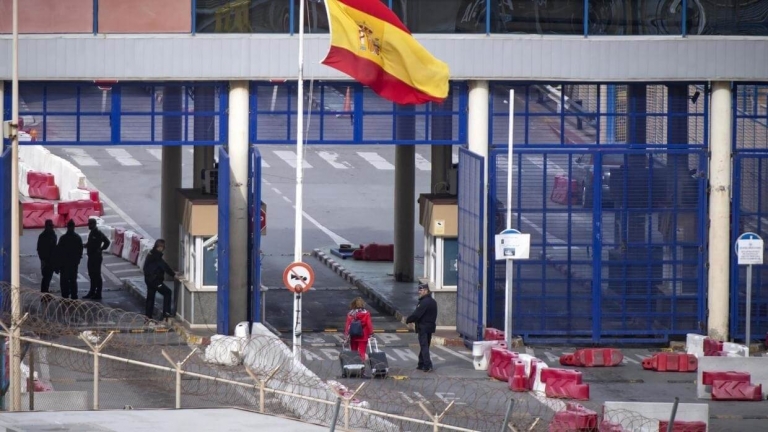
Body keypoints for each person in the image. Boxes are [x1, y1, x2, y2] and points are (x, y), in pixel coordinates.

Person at [406, 283, 438, 372]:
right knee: (425, 345)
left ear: (426, 290)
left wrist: (408, 320)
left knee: (424, 346)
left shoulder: (424, 302)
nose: (419, 292)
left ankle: (427, 365)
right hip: (430, 326)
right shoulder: (433, 301)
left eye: (421, 290)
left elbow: (417, 314)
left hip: (423, 327)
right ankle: (421, 363)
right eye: (419, 290)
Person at [143, 239, 177, 320]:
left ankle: (148, 316)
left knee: (150, 298)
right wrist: (173, 274)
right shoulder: (157, 256)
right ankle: (166, 313)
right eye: (163, 247)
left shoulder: (151, 253)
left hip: (148, 280)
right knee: (167, 292)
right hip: (155, 280)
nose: (164, 249)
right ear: (160, 247)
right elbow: (164, 266)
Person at [56, 219, 84, 300]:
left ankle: (66, 296)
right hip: (71, 263)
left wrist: (58, 264)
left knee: (65, 281)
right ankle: (73, 296)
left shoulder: (63, 238)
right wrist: (77, 260)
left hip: (66, 263)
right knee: (72, 280)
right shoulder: (77, 238)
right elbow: (80, 250)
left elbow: (58, 251)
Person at [84, 218, 110, 300]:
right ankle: (92, 291)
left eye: (90, 224)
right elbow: (91, 243)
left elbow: (107, 242)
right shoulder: (92, 233)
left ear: (94, 224)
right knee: (91, 274)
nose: (88, 225)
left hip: (96, 257)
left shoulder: (98, 233)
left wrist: (101, 249)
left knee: (97, 275)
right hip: (91, 256)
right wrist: (86, 245)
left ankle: (98, 293)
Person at [36, 219, 57, 294]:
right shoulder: (43, 236)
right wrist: (42, 259)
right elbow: (39, 249)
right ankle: (44, 293)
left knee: (48, 277)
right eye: (50, 226)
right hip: (45, 259)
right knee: (46, 277)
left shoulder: (53, 235)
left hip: (51, 259)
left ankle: (45, 292)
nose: (51, 227)